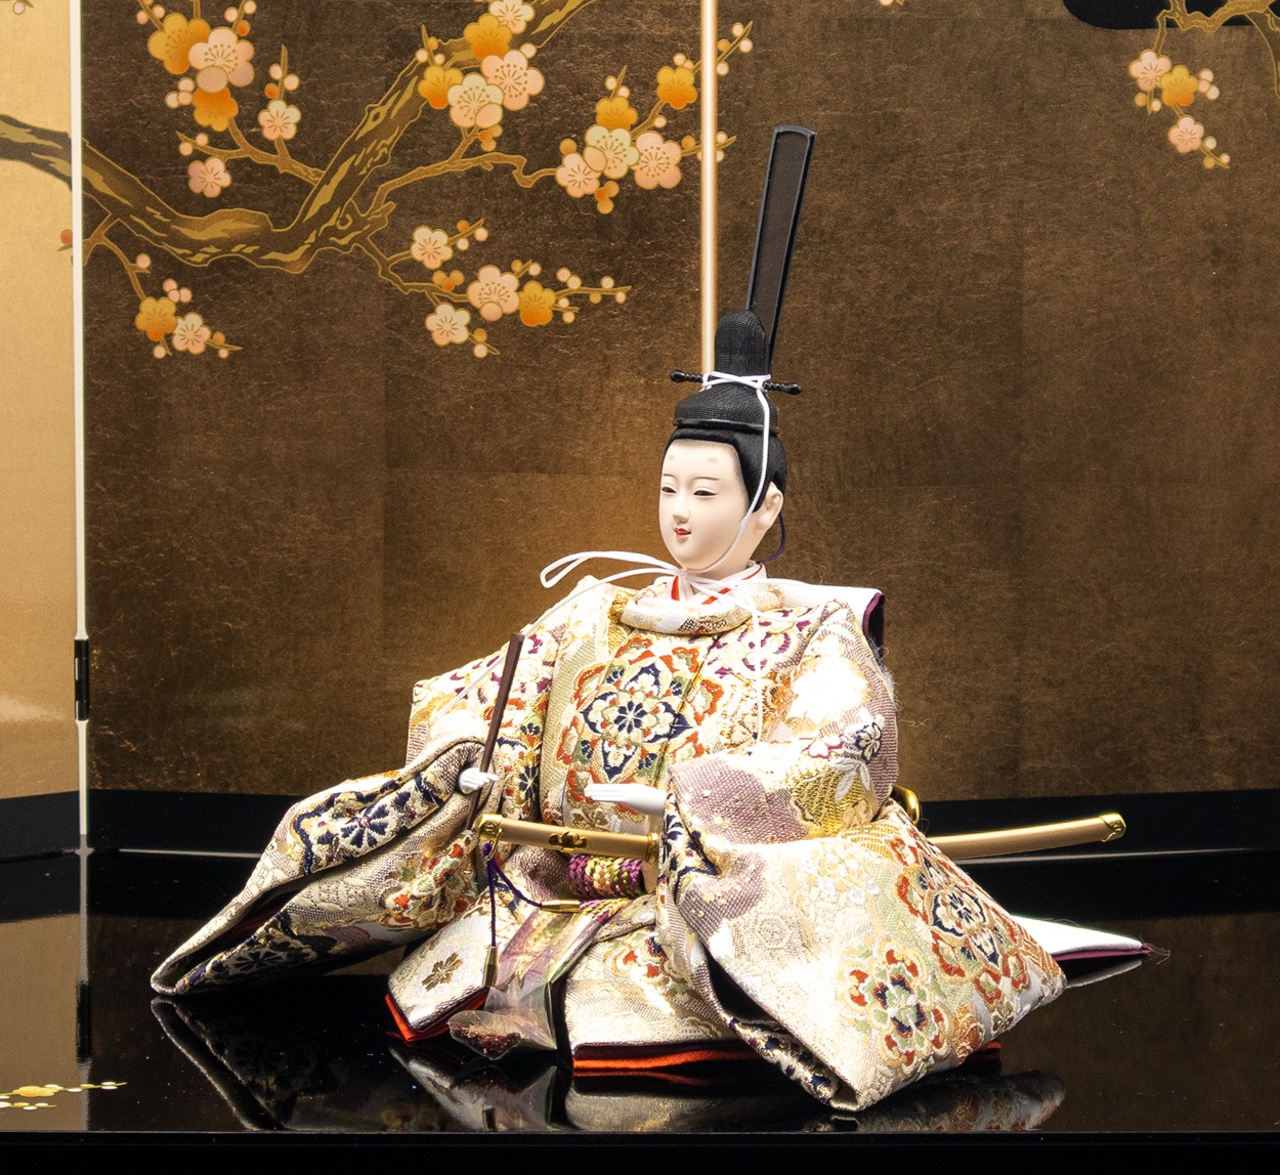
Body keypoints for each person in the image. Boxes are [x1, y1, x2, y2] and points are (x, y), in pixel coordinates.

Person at [151, 308, 1064, 1114]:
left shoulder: (812, 626)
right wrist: (468, 756)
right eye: (668, 489)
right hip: (546, 885)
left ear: (764, 506)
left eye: (705, 492)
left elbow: (847, 746)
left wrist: (699, 803)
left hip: (682, 900)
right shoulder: (592, 608)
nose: (679, 513)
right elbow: (495, 692)